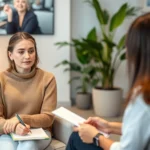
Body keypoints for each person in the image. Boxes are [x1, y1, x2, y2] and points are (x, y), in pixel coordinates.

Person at [66, 12, 150, 150]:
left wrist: (96, 137)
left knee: (77, 138)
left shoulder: (143, 97)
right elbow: (142, 130)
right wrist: (110, 126)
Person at [0, 32, 57, 150]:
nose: (27, 56)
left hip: (39, 132)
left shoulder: (48, 79)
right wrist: (15, 126)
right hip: (9, 131)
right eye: (21, 52)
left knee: (28, 146)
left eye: (31, 51)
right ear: (10, 55)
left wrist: (21, 119)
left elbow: (48, 118)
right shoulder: (1, 79)